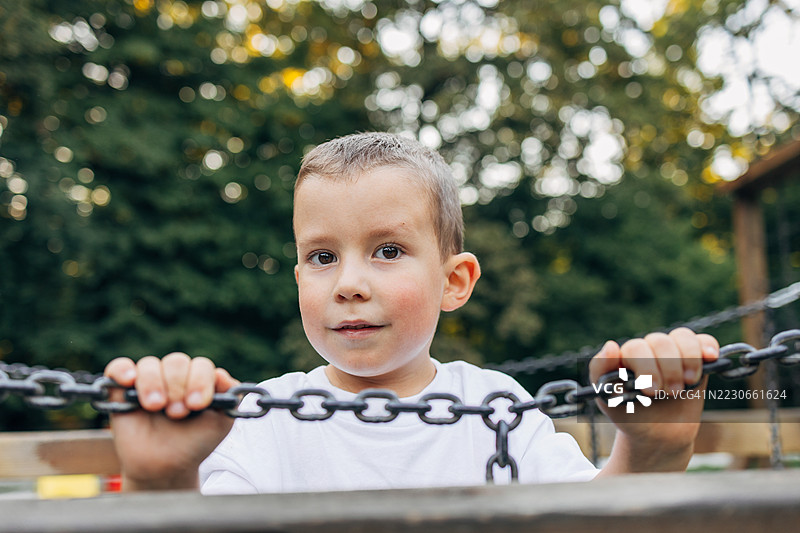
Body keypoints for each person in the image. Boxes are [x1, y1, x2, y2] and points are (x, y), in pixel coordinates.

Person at [105, 132, 720, 493]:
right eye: (322, 256)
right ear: (297, 280)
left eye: (388, 250)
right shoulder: (263, 421)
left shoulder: (497, 407)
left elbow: (591, 524)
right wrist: (161, 484)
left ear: (455, 281)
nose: (348, 283)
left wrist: (649, 456)